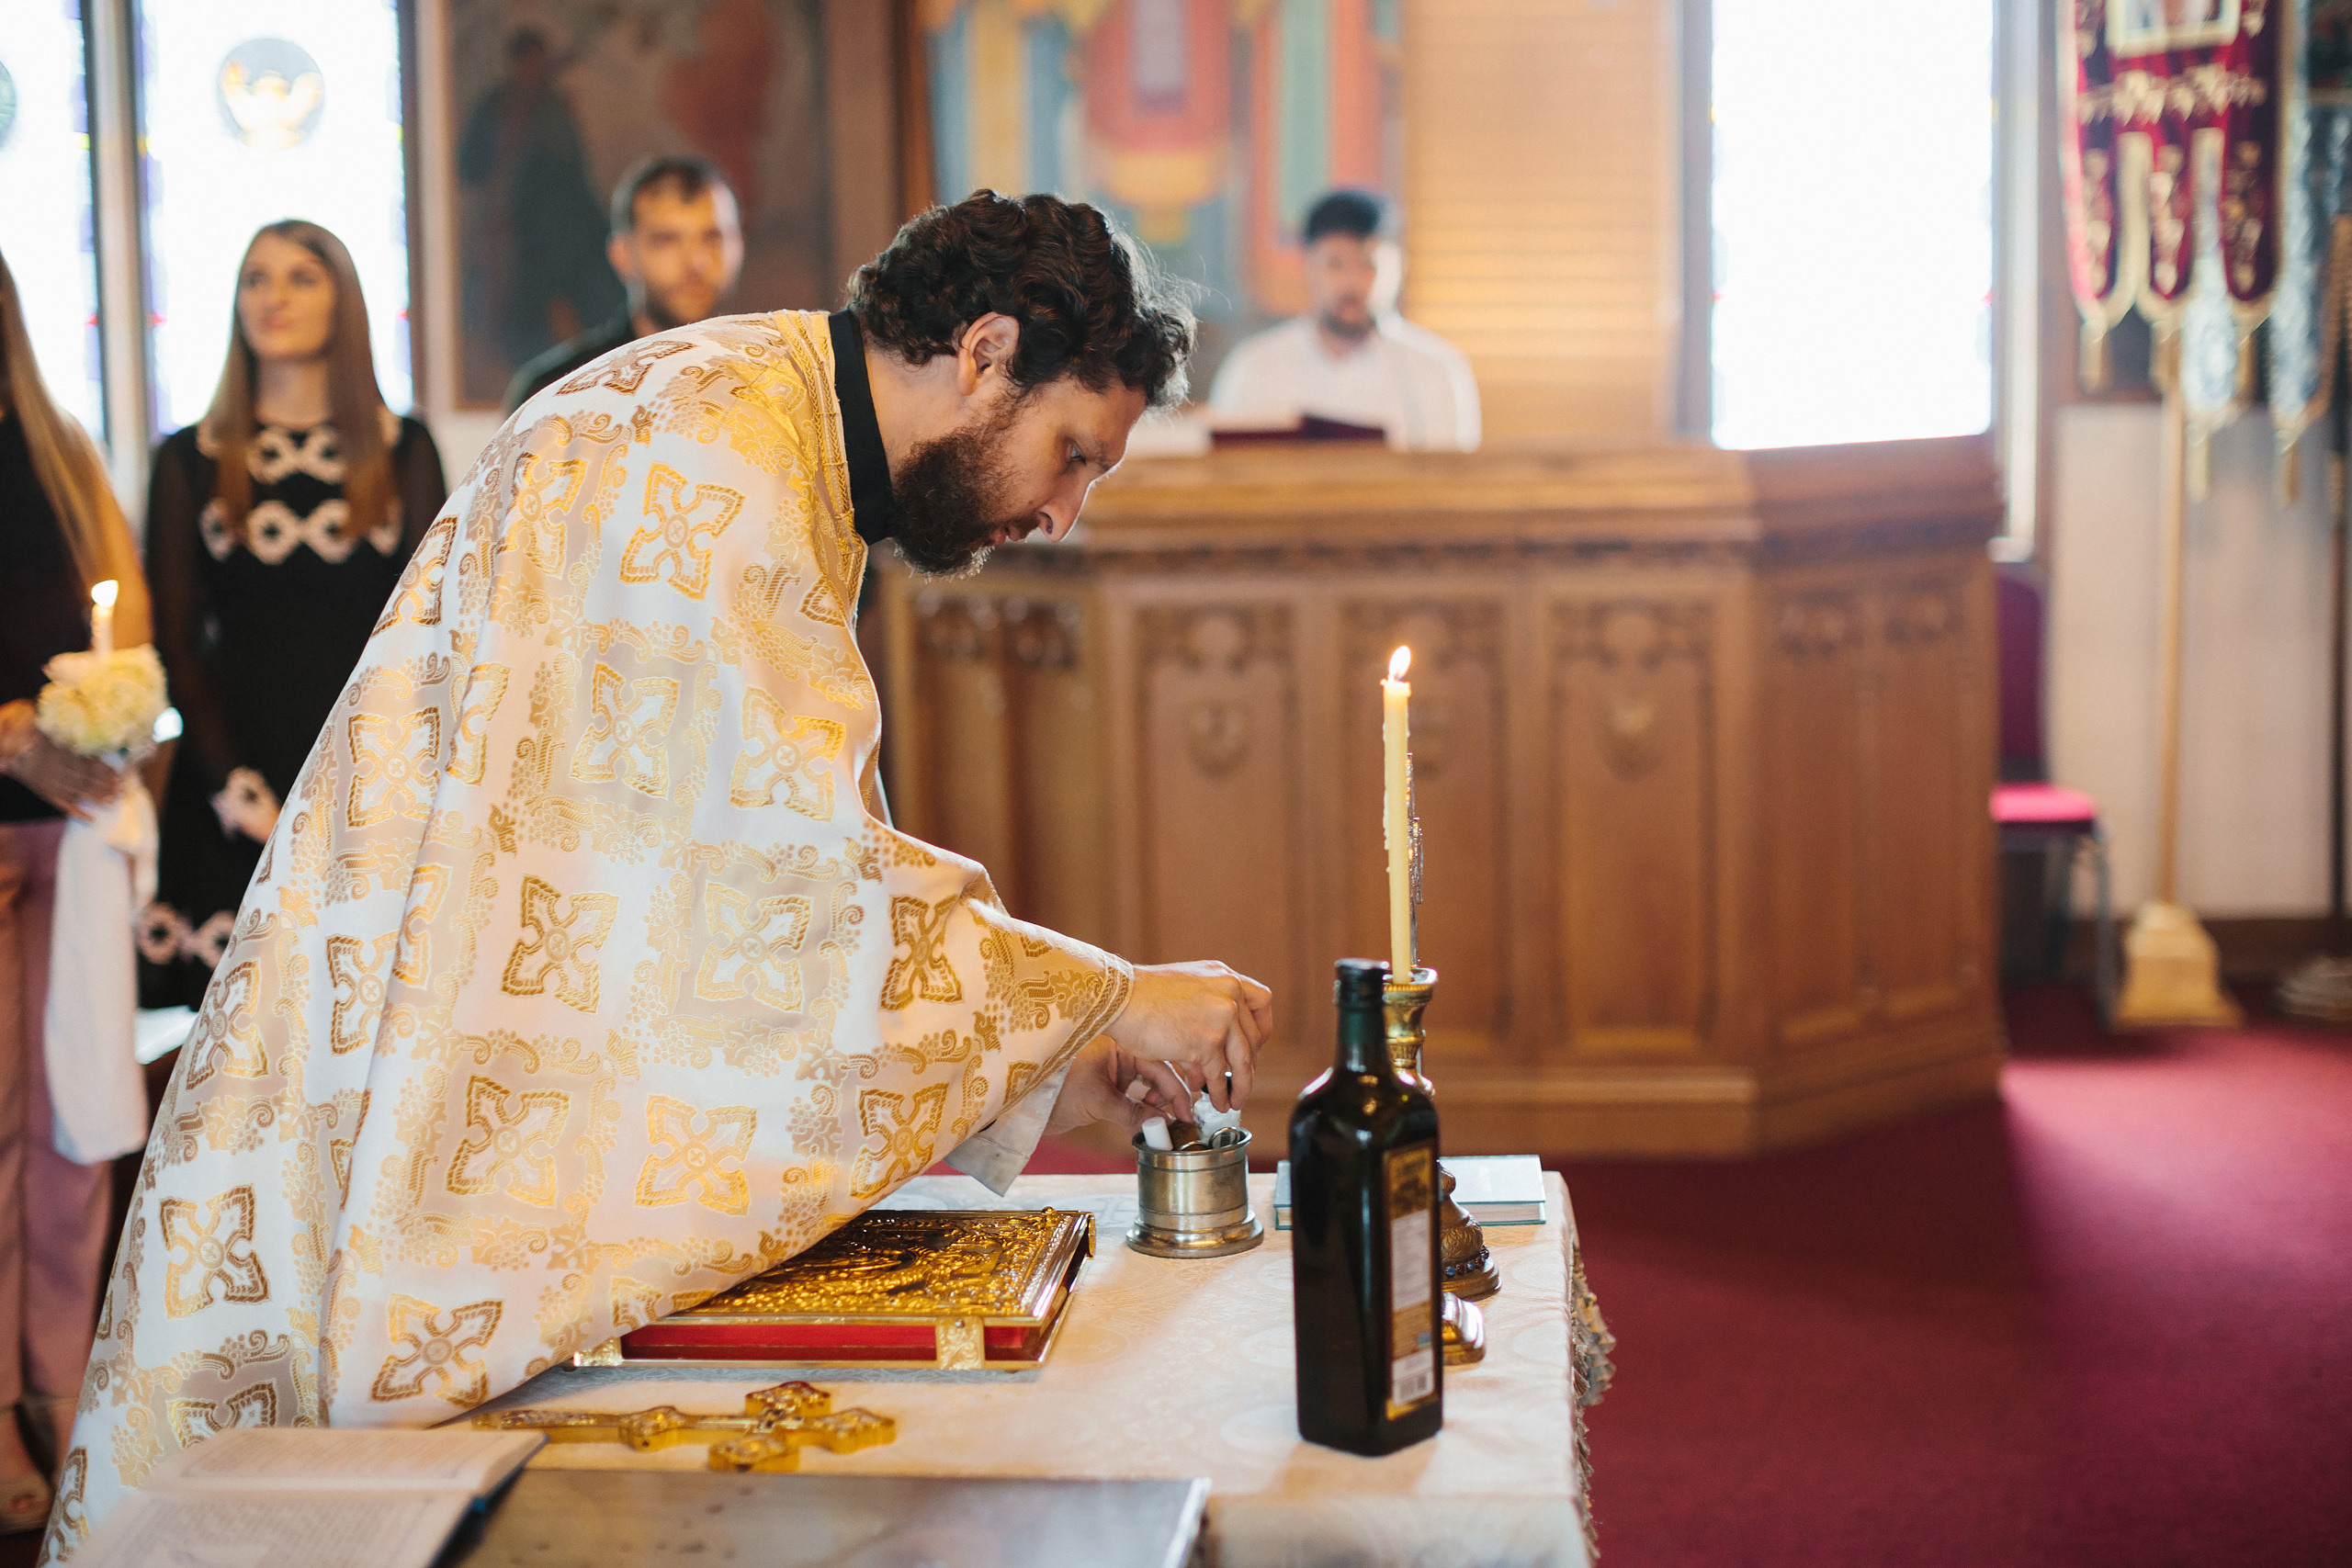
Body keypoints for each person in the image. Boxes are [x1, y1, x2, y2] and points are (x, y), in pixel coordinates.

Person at [47, 190, 1268, 1558]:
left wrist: (1057, 1039)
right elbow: (776, 899)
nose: (1064, 512)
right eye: (1073, 453)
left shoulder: (757, 417)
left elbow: (706, 893)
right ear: (984, 351)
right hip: (400, 1064)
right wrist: (1102, 1003)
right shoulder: (722, 457)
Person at [138, 221, 448, 1010]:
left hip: (365, 776)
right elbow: (176, 638)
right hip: (228, 770)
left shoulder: (403, 449)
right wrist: (234, 784)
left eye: (302, 278)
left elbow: (431, 627)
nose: (274, 298)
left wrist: (376, 777)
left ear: (343, 301)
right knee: (234, 1043)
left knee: (359, 1025)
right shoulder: (188, 458)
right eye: (256, 279)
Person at [0, 247, 152, 1533]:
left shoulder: (59, 454)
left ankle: (62, 1391)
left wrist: (116, 726)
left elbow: (124, 627)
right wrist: (12, 733)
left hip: (66, 838)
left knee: (71, 1136)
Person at [1208, 189, 1481, 451]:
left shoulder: (1435, 369)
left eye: (1368, 264)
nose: (1352, 282)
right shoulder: (1254, 367)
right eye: (1335, 264)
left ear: (1398, 268)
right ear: (1309, 265)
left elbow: (1452, 480)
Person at [502, 154, 746, 412]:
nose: (696, 262)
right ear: (622, 255)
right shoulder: (556, 393)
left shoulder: (773, 383)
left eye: (712, 238)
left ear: (739, 246)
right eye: (667, 240)